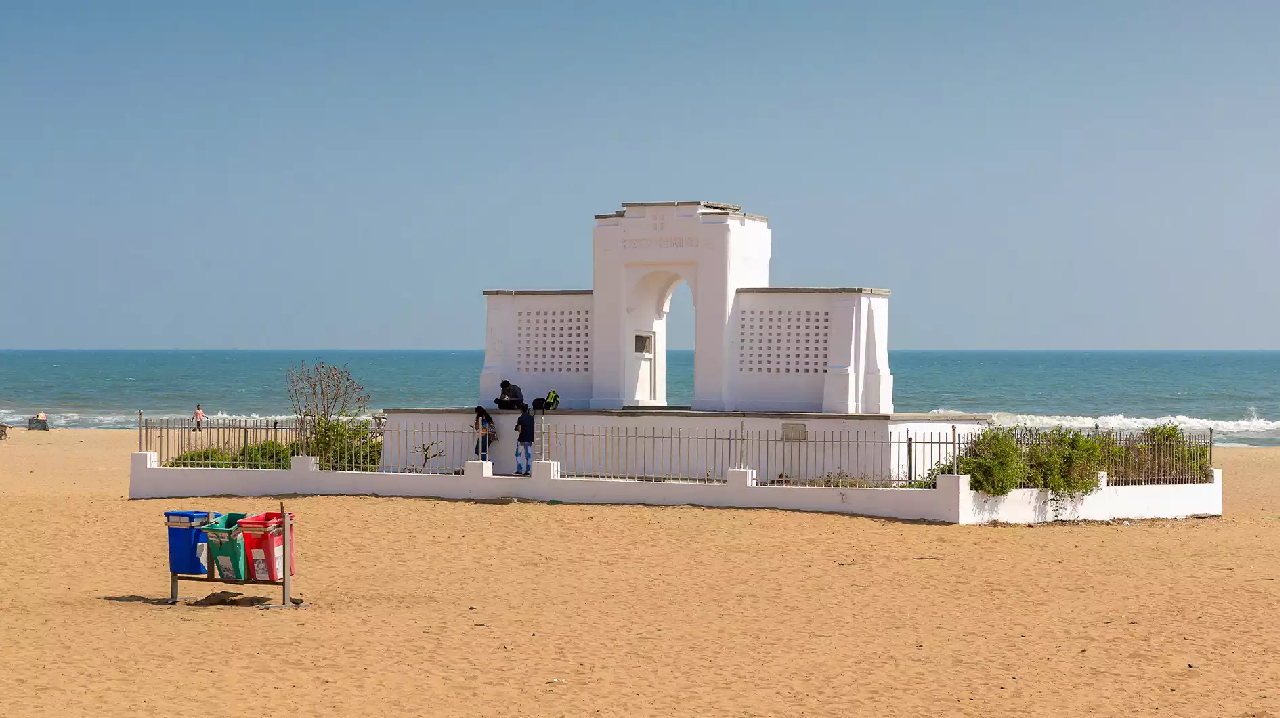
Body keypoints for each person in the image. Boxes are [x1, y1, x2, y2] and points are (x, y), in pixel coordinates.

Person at [514, 403, 535, 476]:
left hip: (522, 439)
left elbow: (519, 429)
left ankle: (519, 469)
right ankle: (528, 470)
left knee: (518, 454)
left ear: (521, 410)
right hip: (529, 439)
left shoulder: (520, 418)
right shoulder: (531, 418)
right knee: (528, 455)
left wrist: (518, 430)